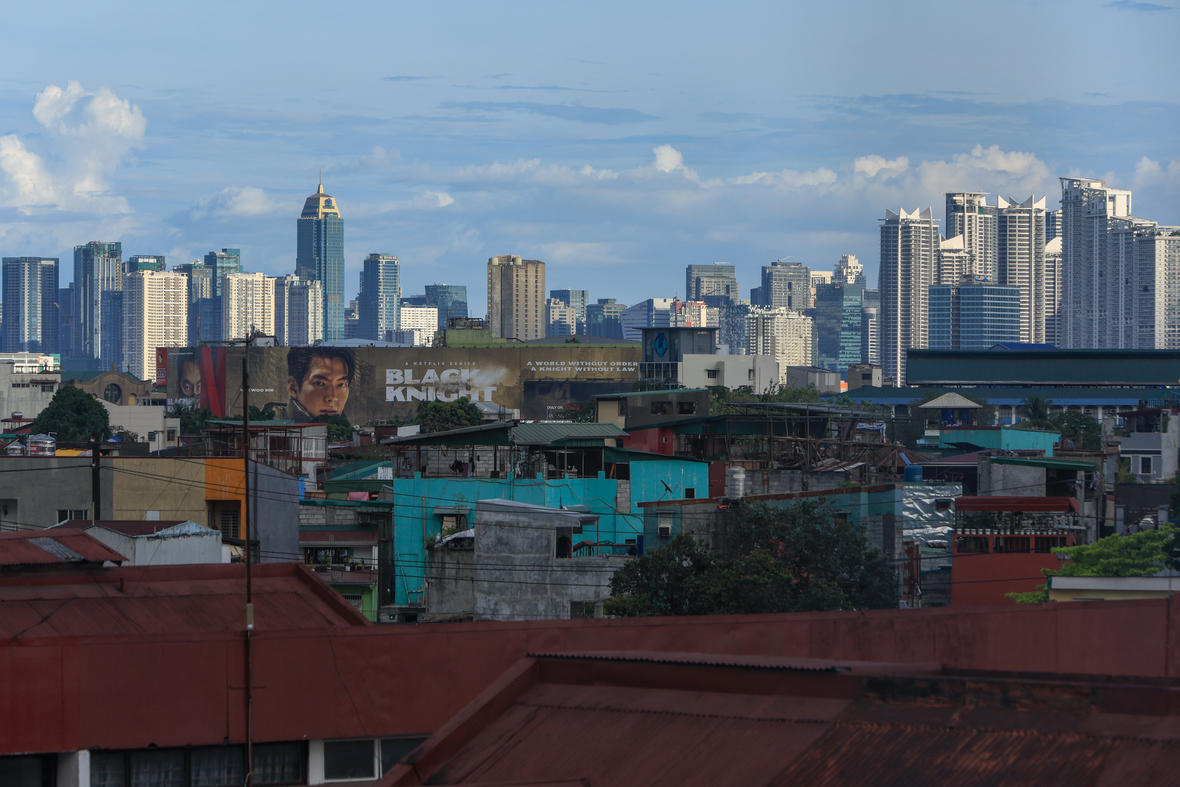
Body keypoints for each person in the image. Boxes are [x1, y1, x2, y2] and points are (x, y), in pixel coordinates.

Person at [285, 347, 354, 422]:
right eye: (320, 383)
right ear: (293, 387)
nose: (333, 398)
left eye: (341, 384)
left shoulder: (347, 428)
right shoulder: (275, 424)